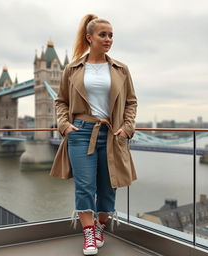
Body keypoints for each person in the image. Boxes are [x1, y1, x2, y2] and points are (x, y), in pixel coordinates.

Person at [50, 14, 137, 255]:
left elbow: (131, 102)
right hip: (80, 132)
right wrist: (64, 125)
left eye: (111, 35)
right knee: (85, 186)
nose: (108, 39)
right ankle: (88, 233)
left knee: (109, 187)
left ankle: (100, 226)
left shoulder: (121, 69)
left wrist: (127, 128)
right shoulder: (72, 68)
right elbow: (61, 101)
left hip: (112, 133)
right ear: (90, 38)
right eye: (103, 35)